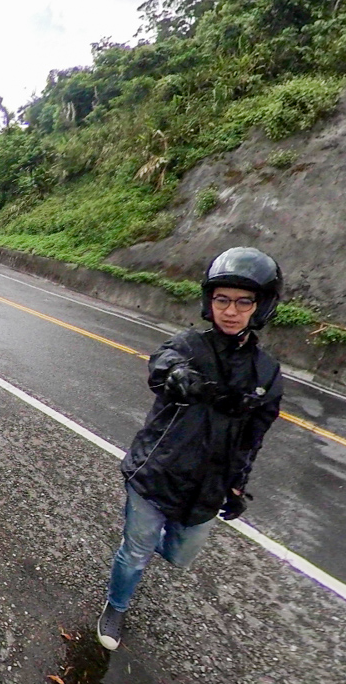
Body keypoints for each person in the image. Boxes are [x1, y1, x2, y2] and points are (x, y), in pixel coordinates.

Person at [97, 247, 285, 651]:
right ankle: (116, 606)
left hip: (208, 485)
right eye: (222, 299)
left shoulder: (266, 372)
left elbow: (254, 435)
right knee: (135, 554)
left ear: (260, 306)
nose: (230, 311)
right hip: (157, 473)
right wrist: (176, 374)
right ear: (209, 301)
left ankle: (152, 544)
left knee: (180, 556)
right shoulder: (188, 346)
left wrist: (237, 485)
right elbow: (161, 362)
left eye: (242, 301)